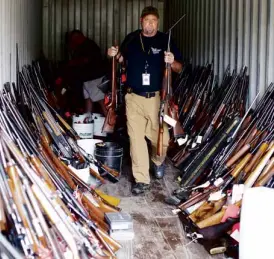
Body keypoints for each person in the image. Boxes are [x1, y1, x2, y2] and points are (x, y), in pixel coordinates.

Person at [107, 6, 183, 195]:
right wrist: (115, 55)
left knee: (163, 140)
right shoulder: (132, 39)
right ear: (141, 21)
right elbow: (123, 60)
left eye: (154, 21)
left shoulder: (166, 40)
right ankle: (141, 179)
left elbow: (179, 68)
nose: (150, 24)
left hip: (157, 98)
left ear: (158, 22)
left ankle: (157, 162)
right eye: (147, 20)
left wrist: (171, 60)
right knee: (136, 139)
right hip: (133, 97)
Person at [64, 30, 107, 115]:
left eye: (74, 39)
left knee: (100, 100)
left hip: (94, 79)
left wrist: (73, 62)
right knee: (88, 100)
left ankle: (110, 123)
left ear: (79, 37)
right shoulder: (81, 46)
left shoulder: (89, 45)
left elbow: (86, 60)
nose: (73, 42)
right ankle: (87, 121)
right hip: (86, 80)